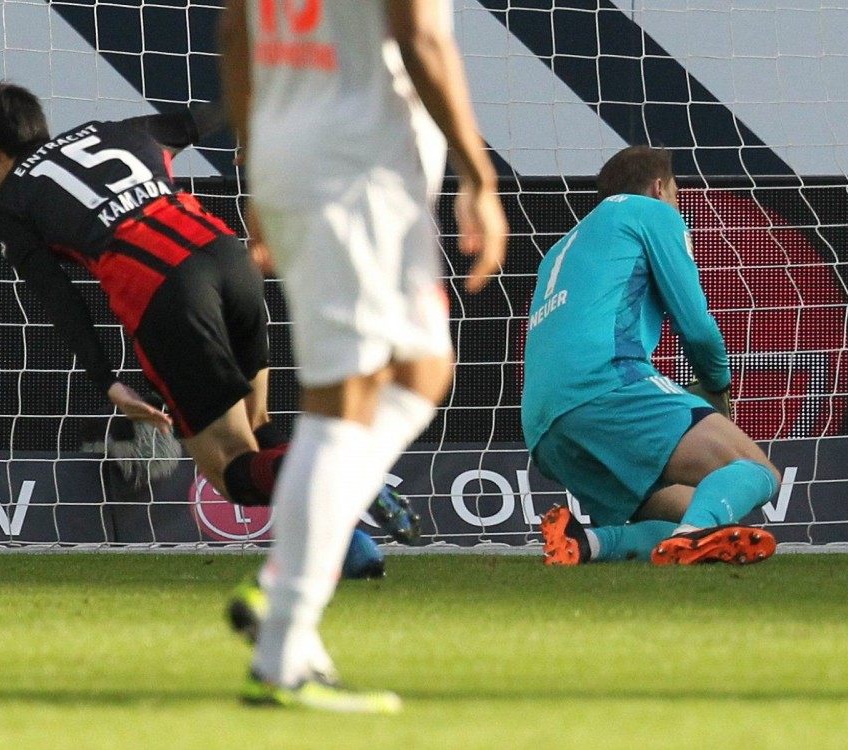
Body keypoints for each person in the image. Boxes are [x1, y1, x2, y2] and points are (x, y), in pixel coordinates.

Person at [0, 83, 420, 549]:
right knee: (257, 427)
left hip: (167, 292)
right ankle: (353, 549)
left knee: (231, 472)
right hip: (227, 257)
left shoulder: (12, 203)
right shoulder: (115, 132)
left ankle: (340, 471)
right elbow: (213, 113)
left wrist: (107, 382)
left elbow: (60, 301)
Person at [219, 0, 507, 713]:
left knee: (422, 367)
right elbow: (420, 35)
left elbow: (233, 28)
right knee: (341, 399)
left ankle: (288, 586)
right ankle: (284, 646)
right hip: (356, 170)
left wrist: (260, 159)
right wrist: (481, 175)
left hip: (304, 153)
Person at [522, 145, 780, 567]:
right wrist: (716, 388)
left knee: (687, 508)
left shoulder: (559, 249)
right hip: (605, 384)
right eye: (677, 192)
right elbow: (696, 326)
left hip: (542, 428)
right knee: (758, 472)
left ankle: (585, 542)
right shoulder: (649, 212)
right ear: (660, 188)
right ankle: (694, 538)